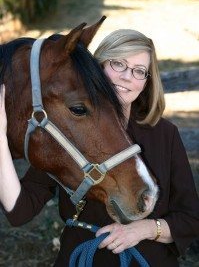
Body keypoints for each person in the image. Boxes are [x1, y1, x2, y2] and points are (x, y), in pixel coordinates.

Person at [0, 29, 199, 267]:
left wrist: (143, 229)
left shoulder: (165, 134)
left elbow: (191, 218)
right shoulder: (70, 127)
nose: (127, 76)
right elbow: (19, 210)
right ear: (97, 67)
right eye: (118, 64)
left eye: (139, 71)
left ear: (147, 81)